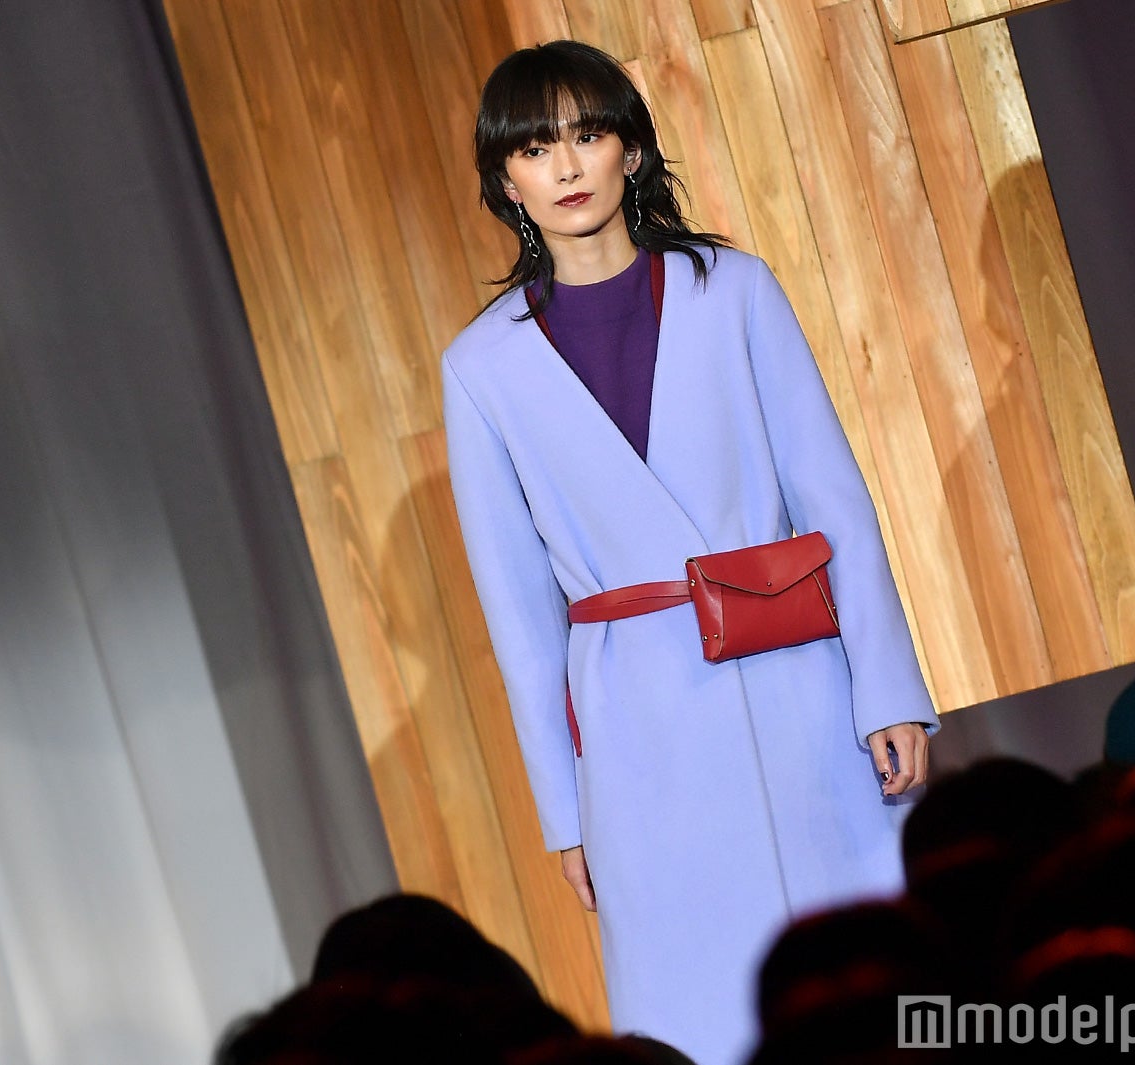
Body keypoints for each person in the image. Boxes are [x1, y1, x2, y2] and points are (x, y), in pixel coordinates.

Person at [441, 40, 938, 1065]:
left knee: (871, 983)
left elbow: (834, 500)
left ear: (630, 151)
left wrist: (887, 689)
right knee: (700, 1009)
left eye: (588, 133)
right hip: (637, 729)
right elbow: (518, 615)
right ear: (505, 181)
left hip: (798, 683)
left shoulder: (734, 290)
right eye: (535, 148)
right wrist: (564, 811)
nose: (566, 166)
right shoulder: (481, 365)